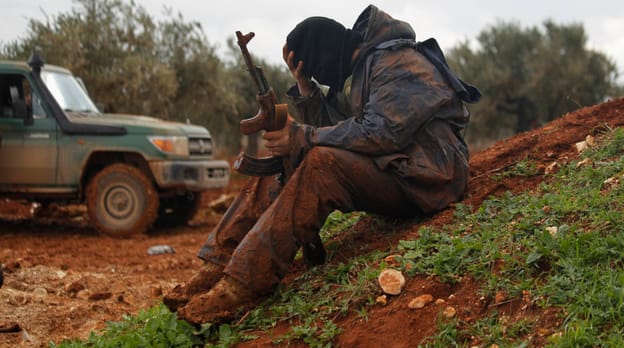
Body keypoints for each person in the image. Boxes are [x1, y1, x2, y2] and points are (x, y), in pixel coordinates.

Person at [163, 4, 480, 325]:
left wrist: (302, 136)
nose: (321, 75)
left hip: (433, 178)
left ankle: (238, 287)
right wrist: (305, 88)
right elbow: (344, 131)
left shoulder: (396, 61)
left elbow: (382, 133)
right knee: (287, 162)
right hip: (401, 170)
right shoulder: (365, 67)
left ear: (328, 55)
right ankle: (214, 267)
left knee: (320, 163)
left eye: (316, 69)